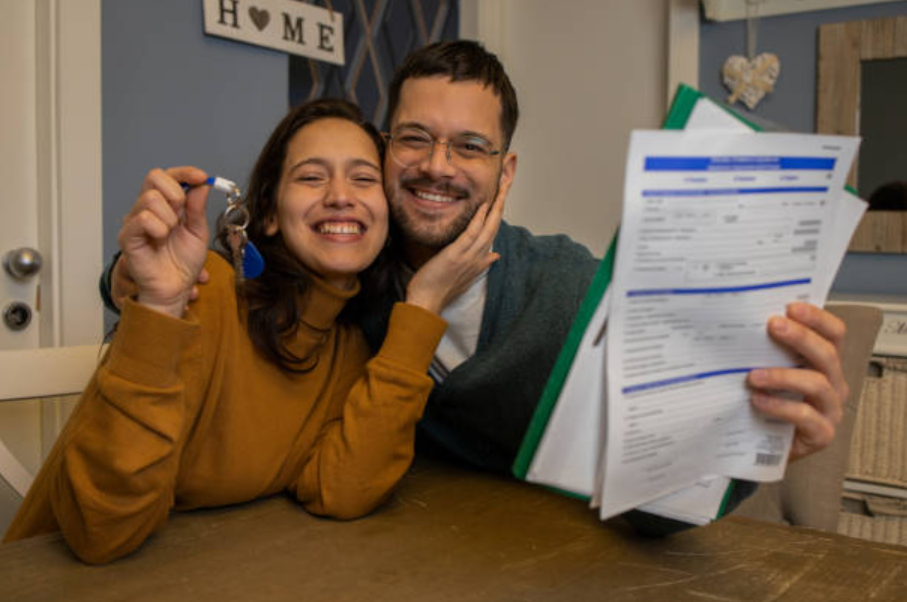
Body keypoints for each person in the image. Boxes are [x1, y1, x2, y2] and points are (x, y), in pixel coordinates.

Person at [101, 42, 849, 531]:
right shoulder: (346, 273)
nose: (436, 166)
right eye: (414, 139)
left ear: (506, 171)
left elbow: (649, 498)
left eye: (470, 146)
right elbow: (239, 276)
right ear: (384, 147)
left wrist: (752, 436)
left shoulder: (565, 292)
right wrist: (126, 282)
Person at [2, 98, 504, 563]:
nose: (340, 197)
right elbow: (100, 530)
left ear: (387, 217)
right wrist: (157, 307)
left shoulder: (351, 345)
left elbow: (342, 489)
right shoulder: (207, 292)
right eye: (311, 177)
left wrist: (424, 305)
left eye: (363, 179)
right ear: (265, 214)